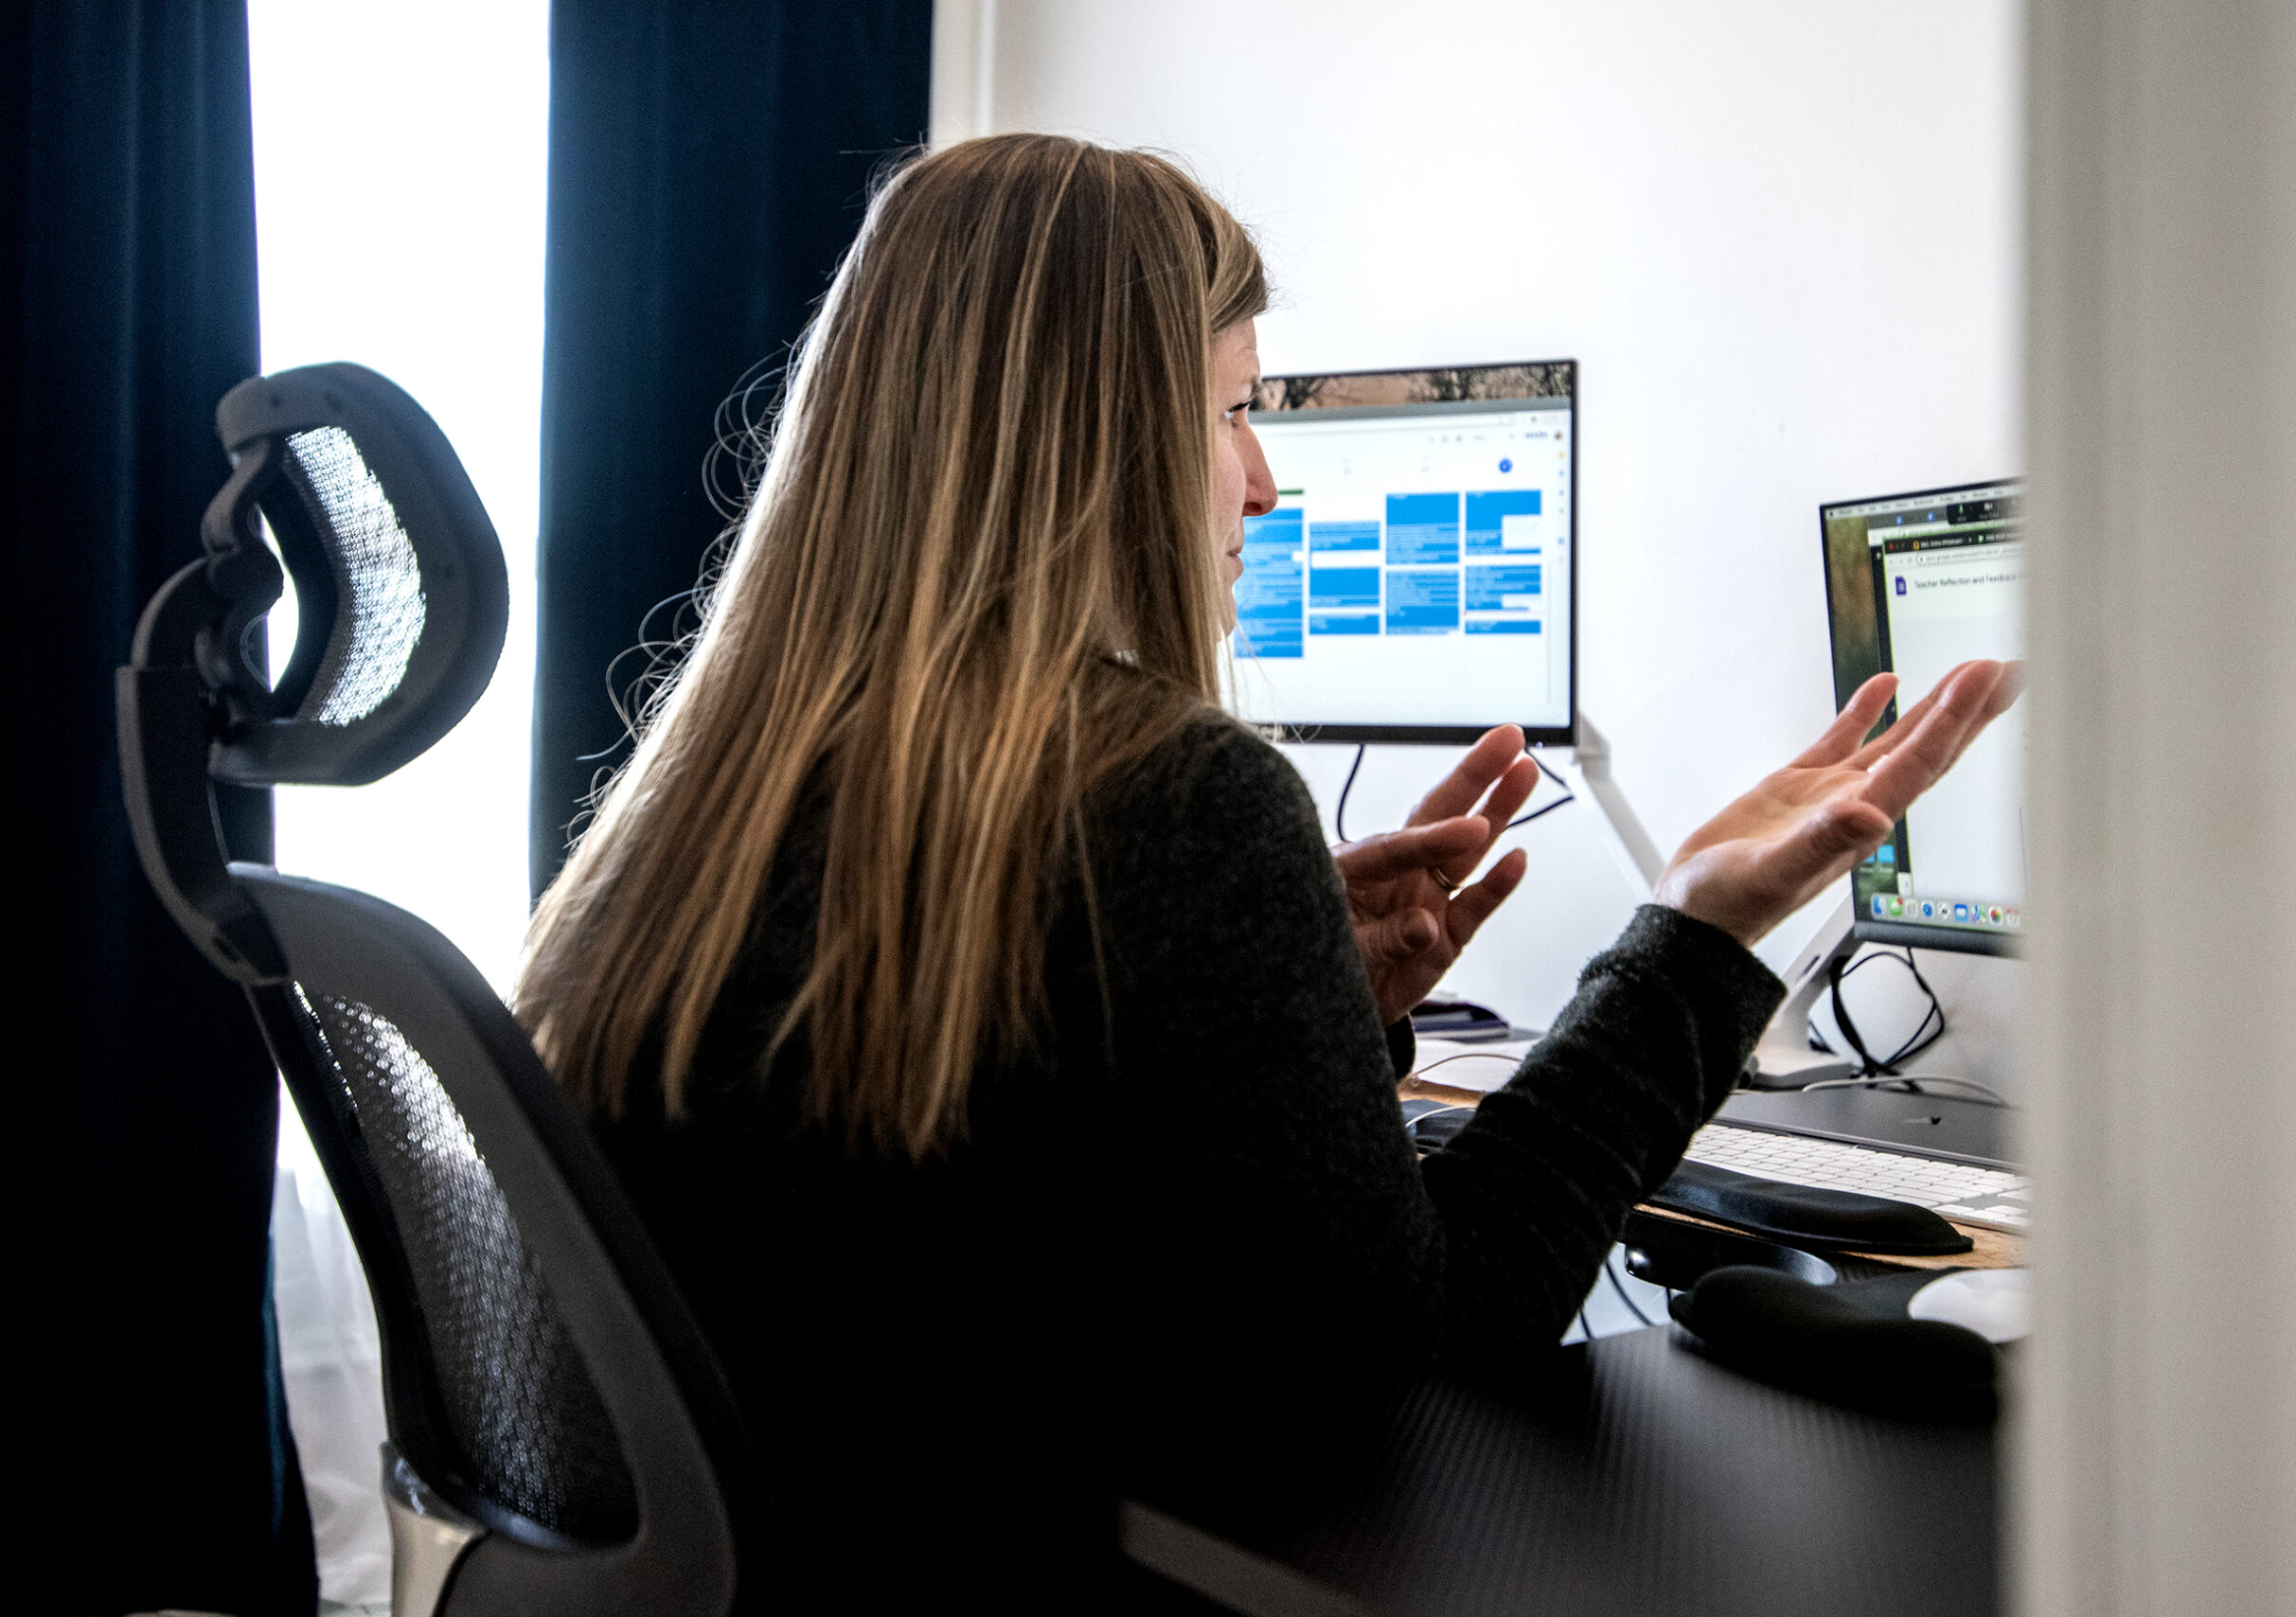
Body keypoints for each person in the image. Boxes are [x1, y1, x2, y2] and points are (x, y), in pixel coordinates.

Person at [516, 133, 2019, 1606]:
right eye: (1232, 411)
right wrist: (1701, 929)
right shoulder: (1162, 793)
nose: (1262, 484)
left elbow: (1003, 1180)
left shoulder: (718, 794)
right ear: (1090, 431)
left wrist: (1318, 990)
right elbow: (1432, 1328)